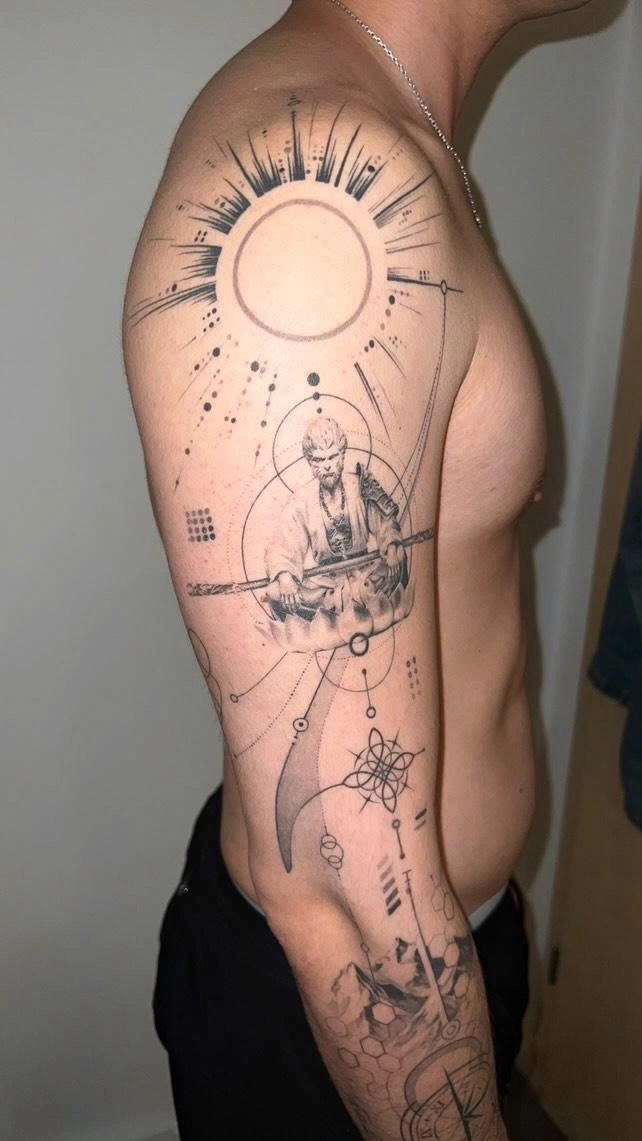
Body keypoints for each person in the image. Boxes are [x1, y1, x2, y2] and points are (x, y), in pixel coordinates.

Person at [123, 1, 591, 1137]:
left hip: (446, 939)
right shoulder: (313, 220)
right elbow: (338, 886)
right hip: (352, 1015)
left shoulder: (397, 141)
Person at [265, 415, 408, 632]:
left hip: (367, 574)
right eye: (319, 460)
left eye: (332, 457)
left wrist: (392, 544)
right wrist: (285, 576)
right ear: (310, 463)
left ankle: (338, 617)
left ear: (342, 455)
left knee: (399, 558)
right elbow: (283, 546)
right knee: (275, 592)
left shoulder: (360, 485)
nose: (327, 466)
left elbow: (385, 524)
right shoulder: (301, 502)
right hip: (326, 585)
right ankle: (339, 615)